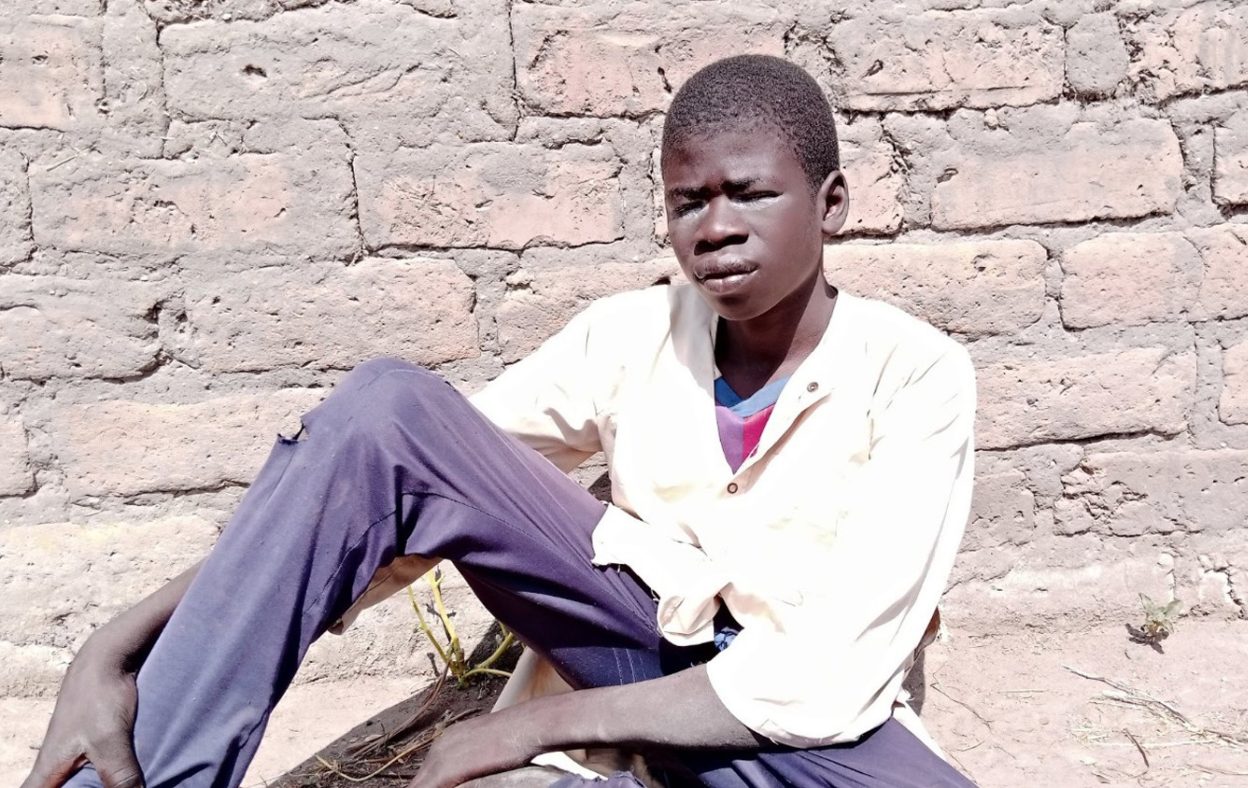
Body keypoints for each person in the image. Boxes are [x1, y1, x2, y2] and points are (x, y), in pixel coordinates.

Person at [24, 55, 977, 788]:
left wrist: (526, 726)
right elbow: (375, 484)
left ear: (833, 203)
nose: (716, 228)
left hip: (806, 720)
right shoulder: (631, 335)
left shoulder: (917, 376)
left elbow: (819, 681)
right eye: (689, 202)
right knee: (386, 409)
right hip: (638, 637)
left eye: (751, 193)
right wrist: (113, 642)